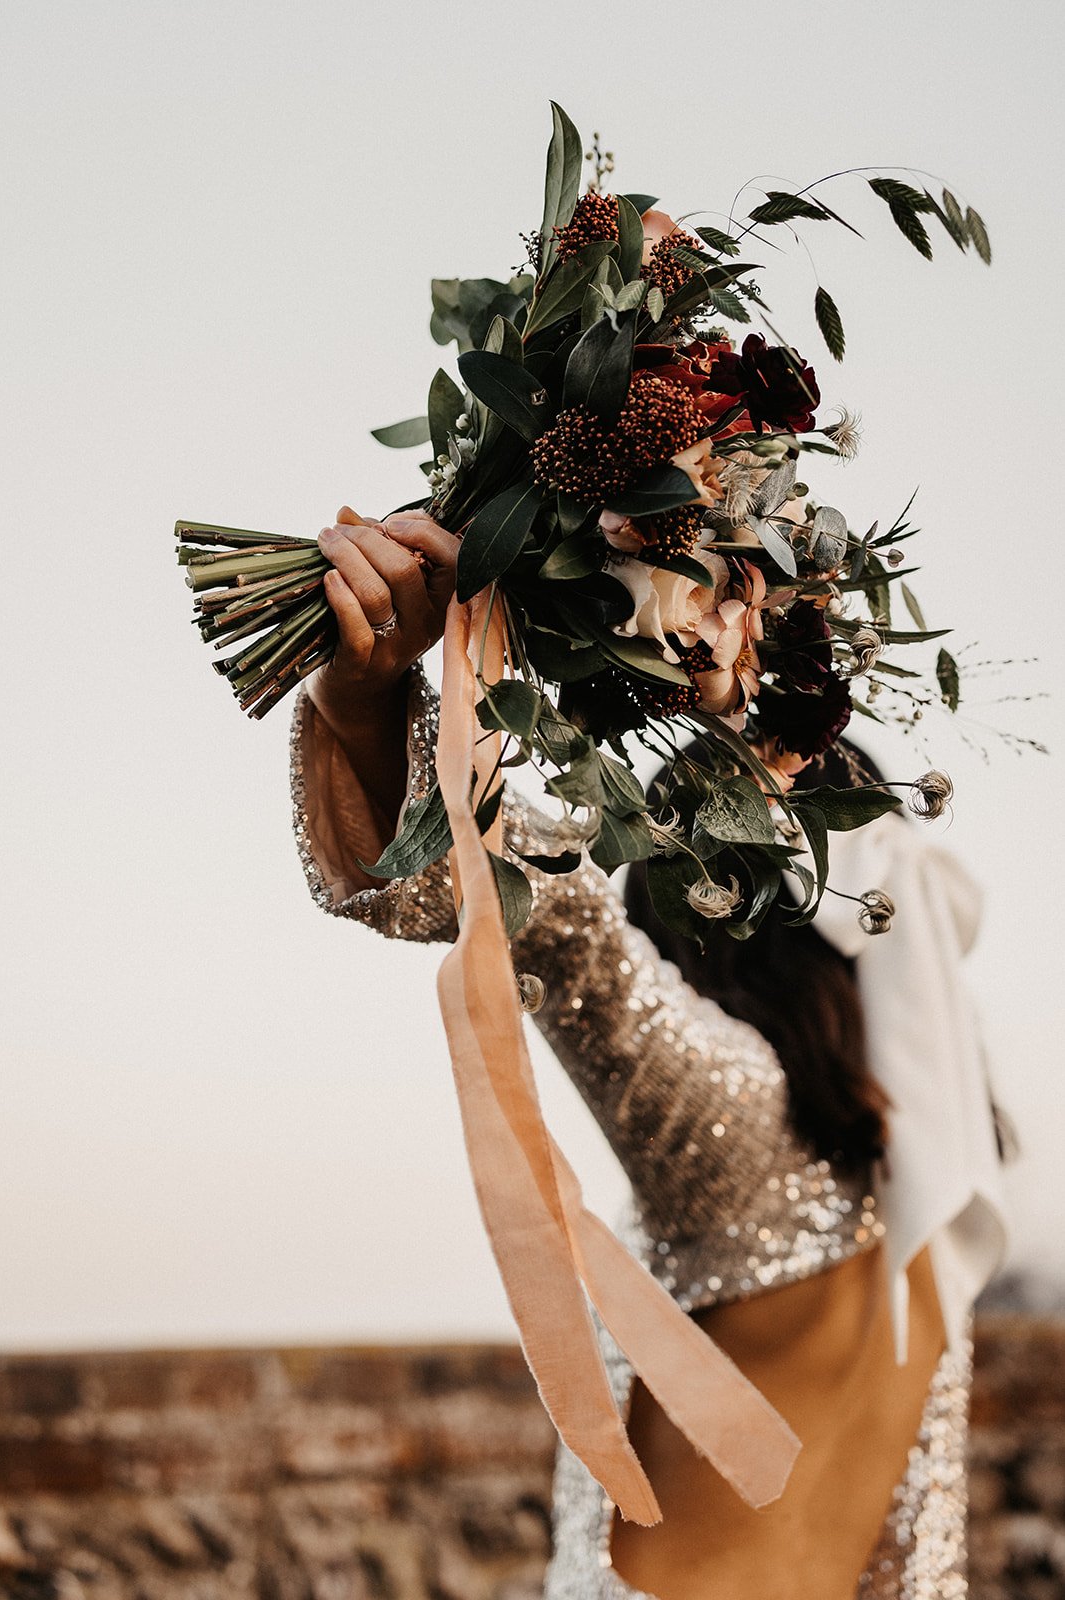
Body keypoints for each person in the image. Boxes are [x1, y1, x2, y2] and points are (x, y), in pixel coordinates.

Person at [290, 506, 1010, 1600]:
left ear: (702, 919)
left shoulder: (742, 1151)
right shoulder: (929, 1217)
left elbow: (567, 935)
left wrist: (364, 703)